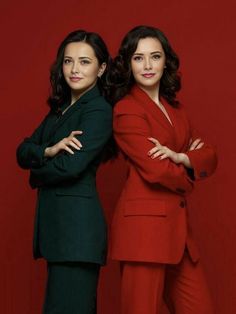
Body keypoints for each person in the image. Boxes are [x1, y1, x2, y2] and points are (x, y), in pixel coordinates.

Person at [109, 25, 217, 314]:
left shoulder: (177, 110)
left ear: (165, 61)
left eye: (154, 56)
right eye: (138, 58)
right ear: (127, 63)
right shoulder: (126, 109)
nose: (147, 65)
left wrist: (181, 157)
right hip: (143, 235)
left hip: (179, 237)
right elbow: (156, 170)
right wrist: (189, 169)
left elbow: (209, 156)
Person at [16, 30, 112, 314]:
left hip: (77, 236)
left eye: (84, 61)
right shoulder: (60, 110)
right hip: (61, 236)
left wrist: (36, 173)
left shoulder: (98, 111)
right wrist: (47, 151)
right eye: (68, 61)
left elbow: (71, 166)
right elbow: (23, 151)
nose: (74, 69)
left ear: (101, 68)